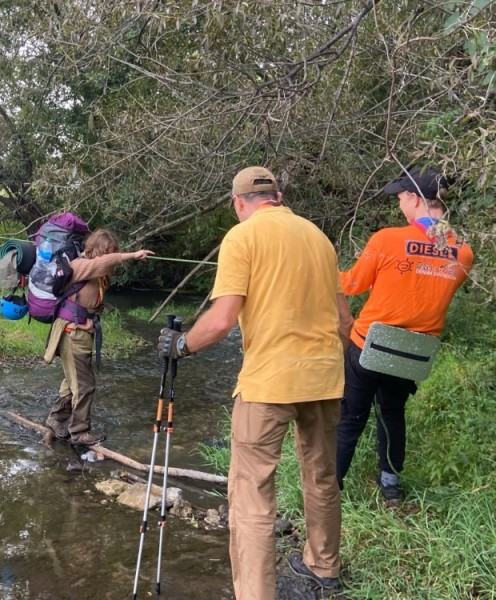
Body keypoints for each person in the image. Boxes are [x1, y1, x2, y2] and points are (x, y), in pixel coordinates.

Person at [158, 167, 353, 599]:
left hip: (267, 383)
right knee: (322, 476)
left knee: (251, 494)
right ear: (278, 196)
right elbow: (345, 321)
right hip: (325, 379)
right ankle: (325, 565)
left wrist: (181, 345)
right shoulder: (319, 238)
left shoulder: (241, 238)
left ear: (238, 203)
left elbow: (223, 319)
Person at [336, 166, 474, 501]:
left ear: (414, 198)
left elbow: (351, 285)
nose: (399, 204)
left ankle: (330, 486)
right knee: (392, 414)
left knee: (351, 417)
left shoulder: (387, 240)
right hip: (413, 354)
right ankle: (391, 486)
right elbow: (432, 257)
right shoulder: (464, 252)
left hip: (370, 345)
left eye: (400, 197)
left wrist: (324, 270)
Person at [43, 229, 153, 445]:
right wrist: (130, 255)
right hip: (72, 334)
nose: (111, 256)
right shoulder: (82, 265)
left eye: (114, 251)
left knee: (72, 380)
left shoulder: (94, 272)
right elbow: (104, 263)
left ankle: (56, 419)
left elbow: (90, 296)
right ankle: (79, 432)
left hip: (79, 332)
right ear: (99, 250)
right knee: (84, 385)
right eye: (109, 251)